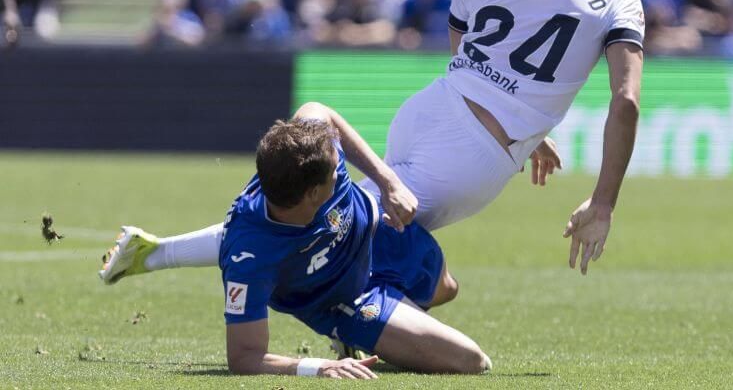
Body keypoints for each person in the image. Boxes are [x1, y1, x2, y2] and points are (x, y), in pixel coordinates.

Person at [101, 0, 644, 302]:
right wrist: (601, 202)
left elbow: (466, 52)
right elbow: (624, 102)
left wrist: (522, 118)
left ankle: (167, 253)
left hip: (431, 110)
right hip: (472, 157)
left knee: (343, 219)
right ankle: (161, 254)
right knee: (323, 225)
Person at [102, 102, 490, 378]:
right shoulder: (249, 256)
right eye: (334, 173)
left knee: (447, 289)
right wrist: (317, 367)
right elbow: (244, 356)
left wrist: (387, 181)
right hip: (345, 301)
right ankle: (357, 331)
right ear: (311, 195)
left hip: (380, 235)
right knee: (470, 361)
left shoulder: (309, 154)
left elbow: (319, 110)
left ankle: (388, 325)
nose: (339, 169)